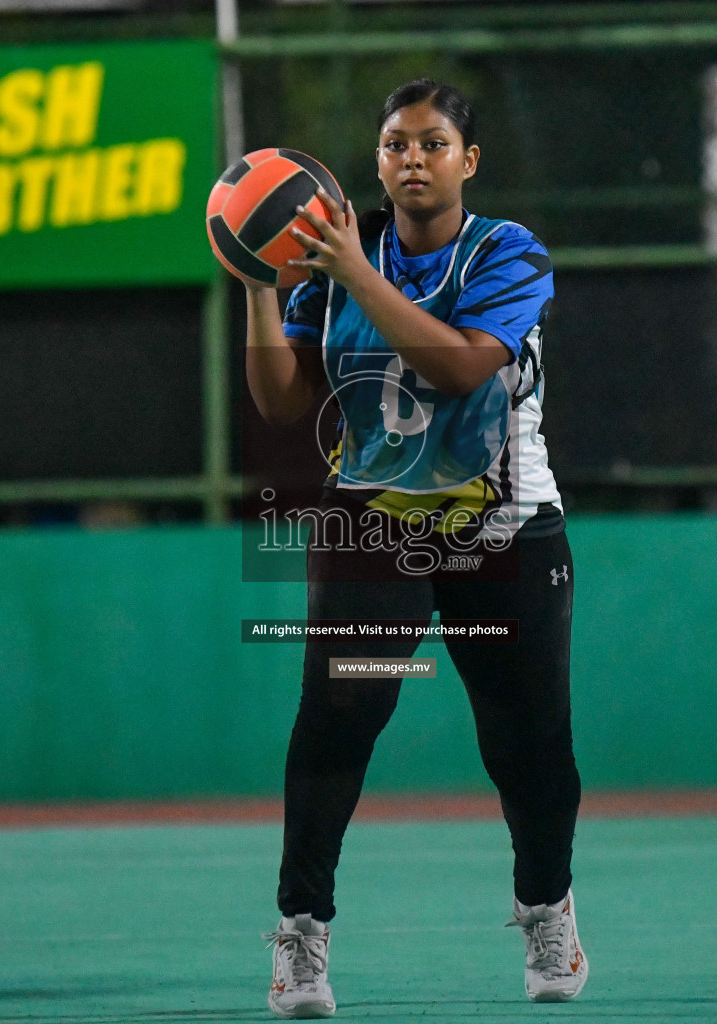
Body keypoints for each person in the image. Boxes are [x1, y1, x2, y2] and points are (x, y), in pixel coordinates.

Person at [242, 79, 587, 1017]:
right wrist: (257, 288)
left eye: (434, 144)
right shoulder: (329, 257)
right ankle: (301, 936)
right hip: (375, 528)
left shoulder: (507, 253)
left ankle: (546, 907)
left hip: (504, 530)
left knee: (530, 746)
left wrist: (354, 273)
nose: (412, 159)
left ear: (468, 161)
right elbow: (282, 407)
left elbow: (462, 365)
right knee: (339, 717)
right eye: (395, 144)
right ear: (380, 159)